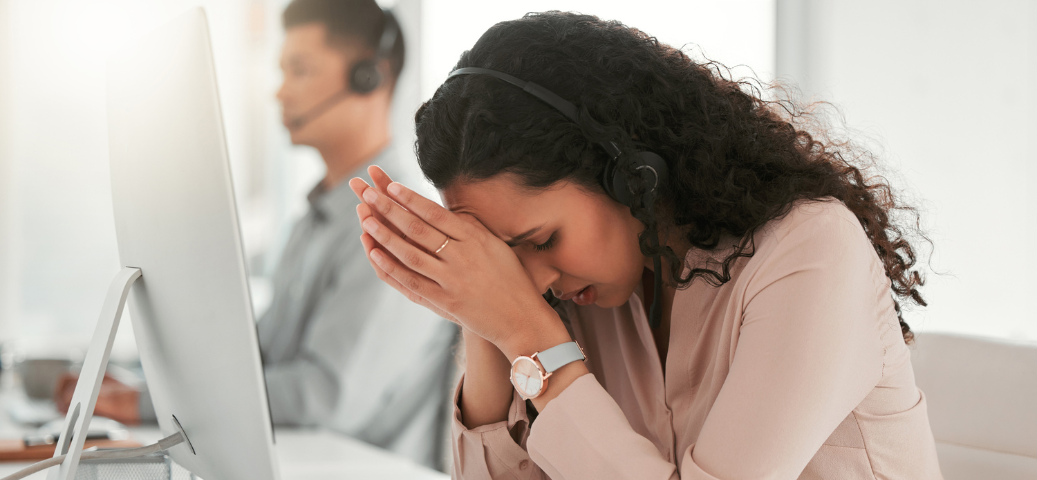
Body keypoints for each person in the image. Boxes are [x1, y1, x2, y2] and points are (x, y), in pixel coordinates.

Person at [348, 11, 943, 479]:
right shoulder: (591, 294)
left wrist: (530, 337)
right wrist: (483, 315)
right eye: (505, 253)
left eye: (541, 240)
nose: (533, 280)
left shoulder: (809, 251)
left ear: (632, 176)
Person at [57, 0, 458, 470]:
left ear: (369, 76)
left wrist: (144, 405)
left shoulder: (396, 221)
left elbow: (324, 396)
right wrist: (135, 382)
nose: (280, 92)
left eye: (300, 70)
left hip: (350, 466)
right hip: (291, 459)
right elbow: (258, 359)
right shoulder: (313, 221)